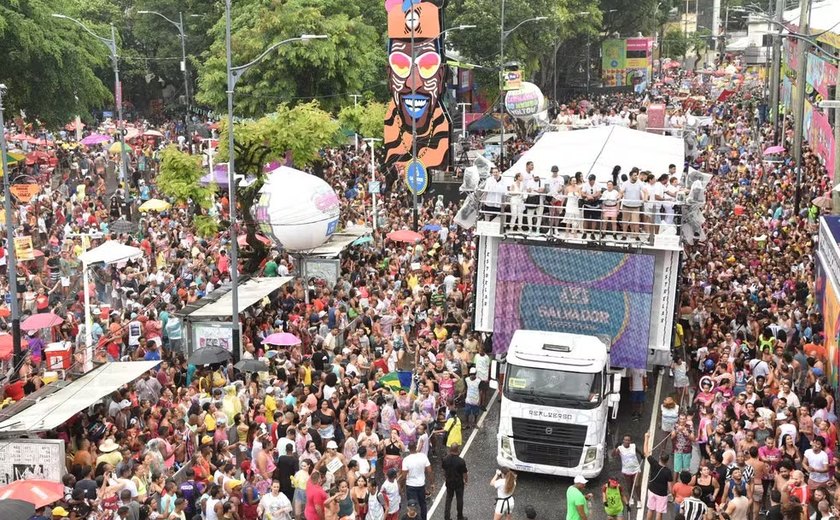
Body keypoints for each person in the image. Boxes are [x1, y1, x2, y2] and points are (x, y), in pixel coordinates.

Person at [643, 433, 672, 520]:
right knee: (659, 512)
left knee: (650, 509)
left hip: (651, 490)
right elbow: (670, 486)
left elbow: (646, 451)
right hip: (661, 494)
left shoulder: (654, 463)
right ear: (667, 461)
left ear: (660, 458)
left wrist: (646, 438)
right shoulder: (668, 472)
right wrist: (672, 494)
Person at [401, 440, 432, 520]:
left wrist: (402, 487)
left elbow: (404, 476)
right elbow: (429, 470)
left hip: (410, 486)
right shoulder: (423, 456)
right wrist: (432, 483)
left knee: (412, 505)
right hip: (421, 485)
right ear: (416, 447)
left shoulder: (406, 460)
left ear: (409, 448)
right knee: (423, 504)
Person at [441, 444, 468, 520]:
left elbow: (444, 470)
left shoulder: (445, 459)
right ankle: (460, 516)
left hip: (449, 482)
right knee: (459, 499)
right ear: (457, 450)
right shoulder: (461, 461)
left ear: (450, 450)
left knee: (448, 499)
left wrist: (445, 477)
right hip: (459, 483)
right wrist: (466, 480)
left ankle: (447, 517)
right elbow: (464, 473)